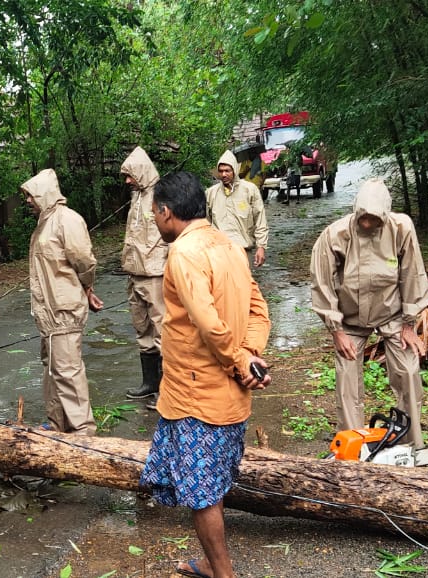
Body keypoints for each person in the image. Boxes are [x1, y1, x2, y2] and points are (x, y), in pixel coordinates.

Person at [140, 171, 271, 578]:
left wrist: (238, 361)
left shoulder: (183, 253)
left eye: (154, 214)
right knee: (212, 484)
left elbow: (208, 322)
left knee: (202, 495)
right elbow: (259, 310)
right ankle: (211, 564)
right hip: (224, 395)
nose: (155, 221)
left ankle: (222, 573)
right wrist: (250, 356)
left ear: (166, 212)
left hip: (197, 398)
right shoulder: (229, 245)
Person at [309, 178, 428, 448]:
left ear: (385, 215)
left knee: (408, 371)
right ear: (356, 212)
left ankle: (410, 443)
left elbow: (412, 273)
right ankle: (353, 444)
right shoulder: (335, 235)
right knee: (346, 379)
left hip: (392, 314)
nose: (367, 224)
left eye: (374, 220)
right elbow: (322, 284)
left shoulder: (401, 228)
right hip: (350, 320)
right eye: (363, 218)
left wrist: (409, 324)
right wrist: (336, 331)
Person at [23, 168, 103, 435]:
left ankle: (84, 431)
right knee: (52, 370)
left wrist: (86, 287)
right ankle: (57, 424)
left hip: (64, 311)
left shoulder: (67, 220)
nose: (27, 201)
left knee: (68, 372)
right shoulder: (44, 223)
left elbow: (84, 262)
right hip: (48, 314)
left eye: (30, 196)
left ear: (43, 194)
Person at [120, 147, 168, 403]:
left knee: (162, 329)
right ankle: (149, 383)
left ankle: (167, 390)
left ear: (140, 171)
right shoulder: (136, 197)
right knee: (142, 328)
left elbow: (171, 235)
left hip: (155, 273)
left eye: (130, 175)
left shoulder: (162, 196)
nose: (127, 181)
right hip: (134, 272)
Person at [205, 150, 268, 268]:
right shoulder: (211, 193)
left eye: (227, 171)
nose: (223, 175)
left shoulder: (249, 190)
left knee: (243, 285)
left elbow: (260, 220)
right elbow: (205, 223)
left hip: (242, 250)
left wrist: (261, 247)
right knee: (220, 285)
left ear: (234, 170)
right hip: (218, 252)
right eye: (221, 171)